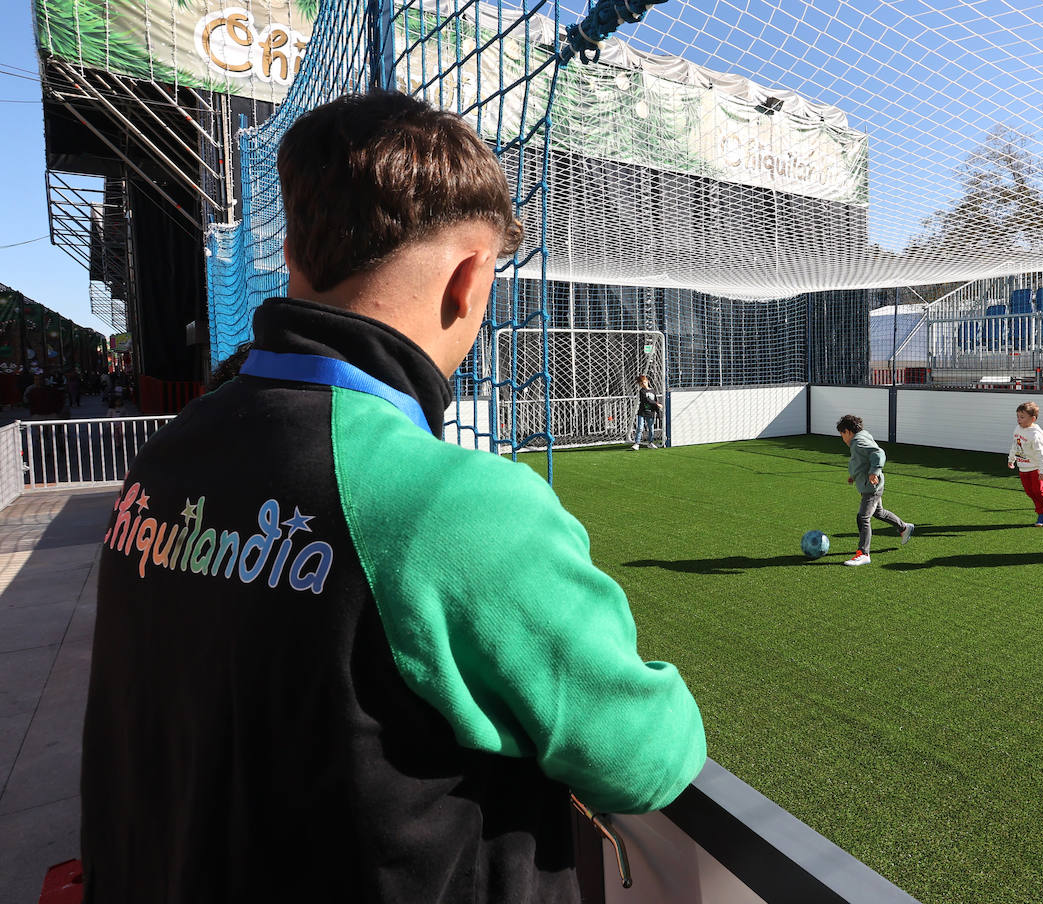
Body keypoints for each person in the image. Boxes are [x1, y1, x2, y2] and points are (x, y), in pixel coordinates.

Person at [81, 91, 706, 904]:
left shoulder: (164, 457)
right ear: (471, 278)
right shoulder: (458, 505)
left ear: (299, 254)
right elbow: (645, 756)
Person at [836, 413, 914, 566]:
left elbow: (878, 453)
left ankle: (864, 553)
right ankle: (904, 527)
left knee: (863, 517)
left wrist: (874, 472)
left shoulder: (858, 442)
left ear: (848, 432)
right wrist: (854, 475)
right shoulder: (861, 437)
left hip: (871, 487)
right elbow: (861, 460)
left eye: (842, 434)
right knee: (879, 512)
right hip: (870, 484)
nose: (842, 438)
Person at [1007, 401, 1043, 526]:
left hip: (1035, 469)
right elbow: (1015, 446)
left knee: (1039, 491)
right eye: (1017, 416)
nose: (1019, 419)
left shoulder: (1035, 435)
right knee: (1030, 492)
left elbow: (1041, 454)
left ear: (1032, 419)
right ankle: (1042, 515)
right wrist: (1011, 459)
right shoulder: (1017, 429)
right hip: (1023, 468)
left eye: (1022, 417)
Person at [630, 373, 663, 450]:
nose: (643, 384)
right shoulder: (642, 391)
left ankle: (650, 443)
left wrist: (658, 412)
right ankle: (637, 443)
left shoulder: (652, 391)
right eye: (641, 383)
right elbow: (647, 400)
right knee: (640, 428)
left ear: (647, 381)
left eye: (644, 382)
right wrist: (657, 404)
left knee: (651, 428)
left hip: (650, 413)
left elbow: (655, 400)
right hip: (642, 412)